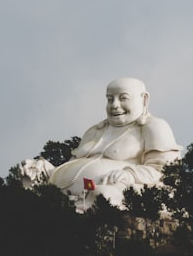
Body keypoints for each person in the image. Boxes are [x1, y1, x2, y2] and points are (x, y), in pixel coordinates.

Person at [20, 77, 182, 210]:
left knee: (104, 194)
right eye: (110, 99)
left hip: (121, 189)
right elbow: (73, 168)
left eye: (123, 98)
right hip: (64, 196)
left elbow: (167, 174)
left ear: (144, 99)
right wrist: (45, 170)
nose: (115, 105)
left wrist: (129, 174)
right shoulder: (95, 131)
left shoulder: (153, 127)